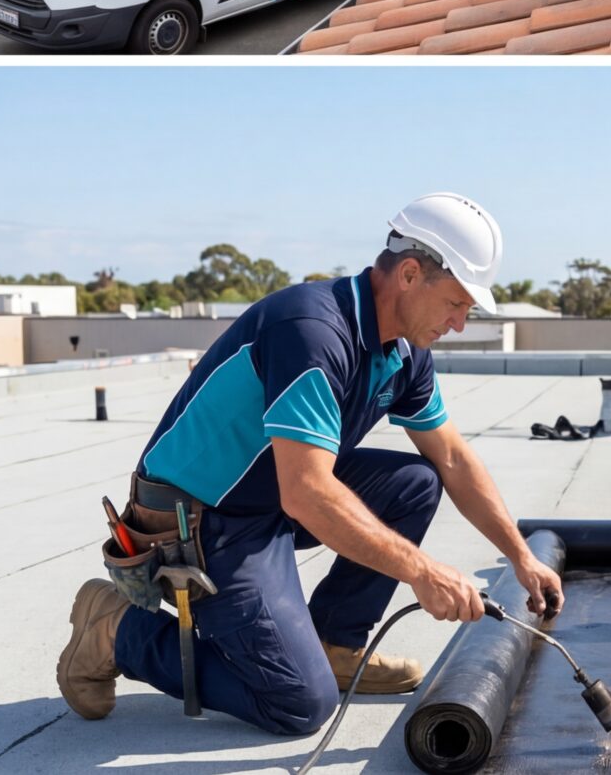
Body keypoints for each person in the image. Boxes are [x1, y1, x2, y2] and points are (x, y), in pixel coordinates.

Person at [56, 194, 561, 737]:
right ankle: (115, 629)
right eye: (457, 304)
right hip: (203, 519)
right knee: (297, 702)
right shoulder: (312, 330)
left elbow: (454, 459)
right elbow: (307, 494)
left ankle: (336, 645)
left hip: (268, 496)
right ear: (411, 274)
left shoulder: (405, 351)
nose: (460, 323)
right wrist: (422, 572)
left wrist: (519, 557)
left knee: (415, 482)